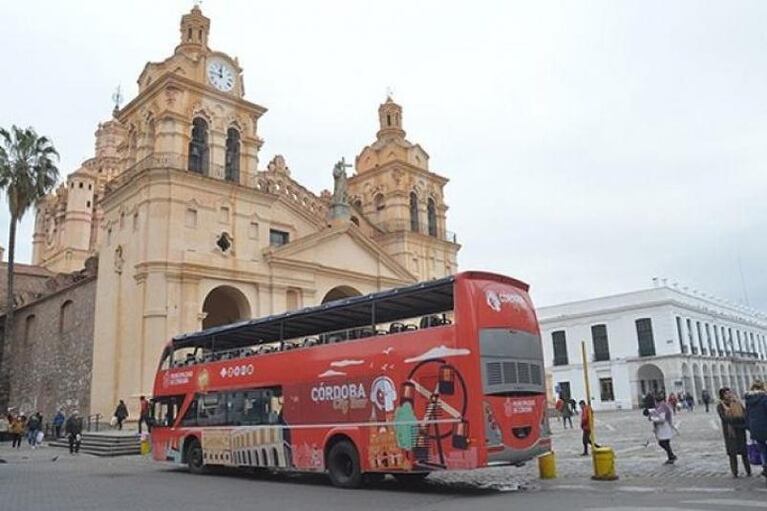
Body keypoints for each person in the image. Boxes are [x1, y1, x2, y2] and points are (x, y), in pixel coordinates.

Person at [717, 387, 750, 477]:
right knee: (732, 453)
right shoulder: (721, 405)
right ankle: (735, 473)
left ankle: (748, 471)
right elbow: (724, 418)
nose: (729, 395)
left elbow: (745, 414)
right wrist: (736, 418)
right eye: (726, 393)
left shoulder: (737, 403)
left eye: (730, 393)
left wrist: (738, 418)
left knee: (744, 452)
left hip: (740, 430)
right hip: (730, 432)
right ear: (722, 395)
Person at [745, 380, 767, 478]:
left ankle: (765, 467)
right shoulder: (764, 398)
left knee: (762, 449)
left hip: (755, 428)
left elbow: (747, 415)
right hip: (765, 426)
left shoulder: (749, 399)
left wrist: (749, 427)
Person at [648, 392, 677, 464]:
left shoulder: (662, 407)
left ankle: (671, 455)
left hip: (664, 428)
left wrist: (652, 419)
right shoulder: (664, 406)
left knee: (662, 443)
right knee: (666, 443)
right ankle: (671, 457)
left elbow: (662, 419)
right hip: (666, 426)